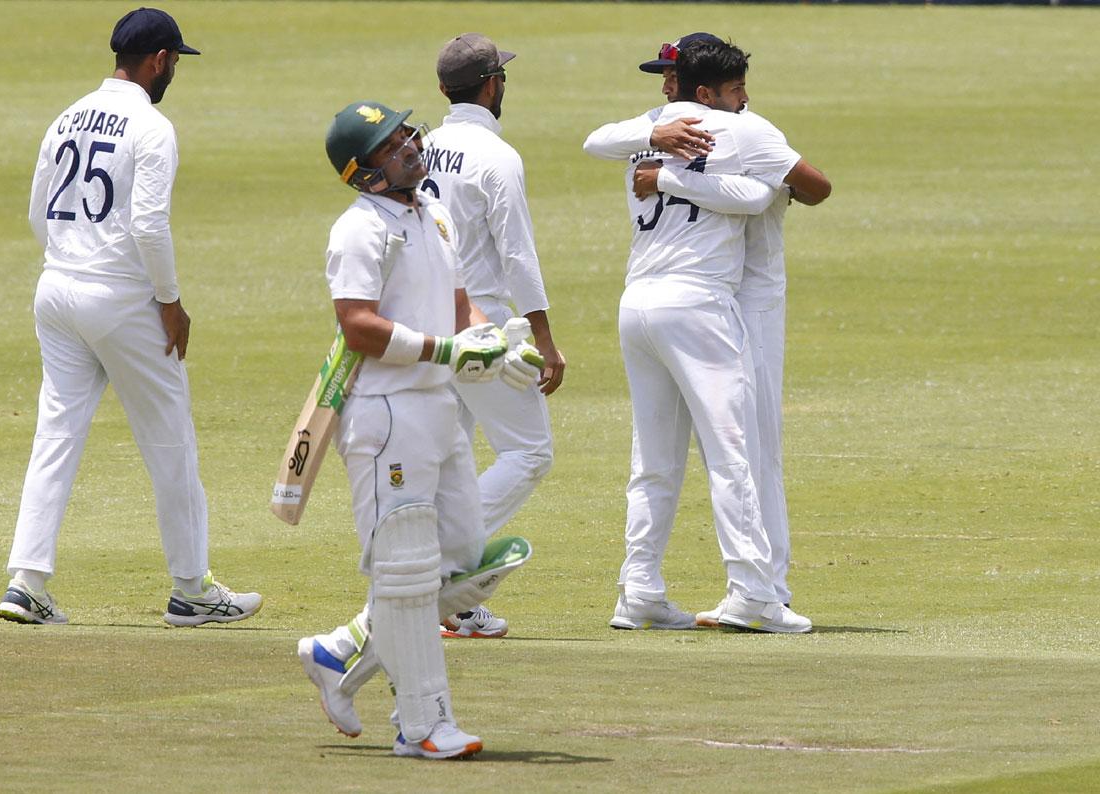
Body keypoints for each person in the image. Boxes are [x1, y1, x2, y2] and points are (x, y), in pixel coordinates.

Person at [0, 7, 261, 628]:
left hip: (56, 289)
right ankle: (192, 590)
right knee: (170, 437)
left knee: (55, 434)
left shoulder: (67, 115)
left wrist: (70, 260)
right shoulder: (152, 125)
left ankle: (26, 582)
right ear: (160, 60)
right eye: (174, 62)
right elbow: (147, 222)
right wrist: (169, 301)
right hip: (121, 298)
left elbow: (38, 212)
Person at [295, 101, 538, 759]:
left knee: (464, 566)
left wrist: (497, 340)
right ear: (366, 171)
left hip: (437, 411)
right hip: (387, 413)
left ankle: (338, 655)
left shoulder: (431, 213)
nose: (409, 143)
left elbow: (459, 304)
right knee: (405, 573)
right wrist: (446, 351)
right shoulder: (359, 230)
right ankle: (423, 724)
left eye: (406, 133)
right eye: (391, 142)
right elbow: (357, 324)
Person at [584, 34, 830, 625]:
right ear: (708, 90)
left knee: (654, 459)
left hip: (637, 303)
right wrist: (687, 177)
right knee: (736, 453)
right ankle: (753, 592)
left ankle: (638, 590)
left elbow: (595, 140)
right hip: (698, 305)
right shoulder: (742, 129)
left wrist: (661, 170)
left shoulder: (643, 129)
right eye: (737, 87)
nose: (744, 98)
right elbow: (755, 195)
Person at [420, 33, 566, 639]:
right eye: (500, 76)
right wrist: (546, 340)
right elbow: (519, 257)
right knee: (530, 452)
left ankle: (448, 593)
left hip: (423, 319)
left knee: (451, 460)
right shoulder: (496, 157)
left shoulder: (421, 145)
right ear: (490, 85)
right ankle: (444, 573)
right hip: (478, 325)